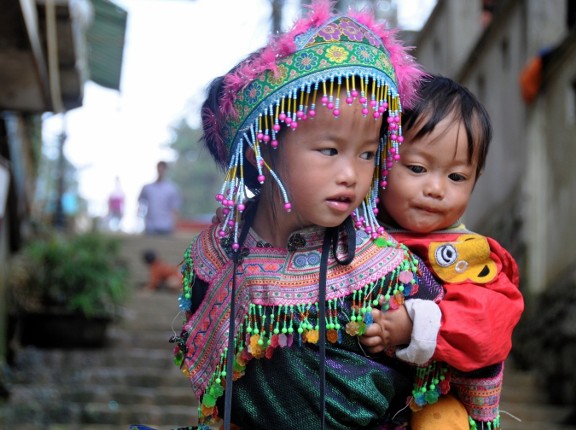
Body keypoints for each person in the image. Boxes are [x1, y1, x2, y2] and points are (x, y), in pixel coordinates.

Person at [170, 3, 450, 429]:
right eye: (329, 150)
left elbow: (447, 361)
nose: (351, 175)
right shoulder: (215, 257)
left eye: (368, 155)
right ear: (262, 148)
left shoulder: (387, 268)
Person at [359, 75, 524, 430]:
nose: (435, 189)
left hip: (433, 401)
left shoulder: (465, 255)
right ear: (380, 160)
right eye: (417, 169)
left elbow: (491, 322)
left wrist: (416, 323)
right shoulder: (356, 235)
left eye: (457, 177)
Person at [137, 161, 182, 235]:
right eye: (159, 168)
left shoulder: (172, 189)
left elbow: (175, 209)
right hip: (150, 226)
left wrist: (174, 226)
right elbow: (140, 203)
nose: (161, 170)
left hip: (166, 227)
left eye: (163, 168)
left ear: (166, 170)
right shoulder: (148, 188)